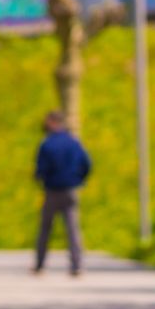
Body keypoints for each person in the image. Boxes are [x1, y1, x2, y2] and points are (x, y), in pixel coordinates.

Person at [33, 110, 91, 276]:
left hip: (52, 190)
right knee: (73, 229)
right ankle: (77, 265)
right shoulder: (74, 142)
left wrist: (41, 179)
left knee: (45, 228)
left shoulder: (47, 144)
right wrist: (79, 179)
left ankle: (40, 264)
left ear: (51, 122)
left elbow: (40, 169)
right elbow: (86, 163)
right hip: (70, 190)